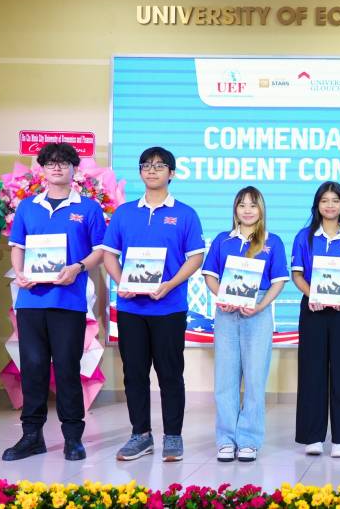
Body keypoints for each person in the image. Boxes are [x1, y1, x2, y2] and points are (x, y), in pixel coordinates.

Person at [101, 146, 205, 462]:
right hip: (131, 309)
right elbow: (109, 255)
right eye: (146, 165)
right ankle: (140, 435)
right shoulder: (124, 213)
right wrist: (122, 282)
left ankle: (173, 436)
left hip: (169, 308)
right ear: (140, 172)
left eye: (160, 166)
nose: (152, 170)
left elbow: (195, 258)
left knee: (170, 373)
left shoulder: (185, 214)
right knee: (134, 374)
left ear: (171, 173)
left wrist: (170, 285)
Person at [3, 142, 105, 462]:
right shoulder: (28, 206)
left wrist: (78, 267)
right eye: (50, 163)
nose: (57, 167)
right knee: (32, 368)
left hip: (68, 301)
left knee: (66, 369)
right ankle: (31, 436)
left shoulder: (88, 208)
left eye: (63, 162)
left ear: (74, 169)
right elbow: (18, 246)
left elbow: (100, 251)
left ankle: (73, 437)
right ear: (43, 169)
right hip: (30, 301)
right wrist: (20, 273)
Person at [202, 186, 289, 463]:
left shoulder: (273, 242)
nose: (248, 210)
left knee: (254, 377)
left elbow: (278, 281)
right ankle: (226, 439)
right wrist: (222, 297)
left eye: (253, 205)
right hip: (227, 312)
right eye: (242, 205)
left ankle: (249, 439)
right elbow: (210, 275)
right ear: (235, 209)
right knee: (225, 378)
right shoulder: (222, 240)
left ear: (261, 209)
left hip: (258, 312)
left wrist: (261, 306)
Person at [291, 182, 340, 458]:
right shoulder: (305, 237)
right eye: (325, 200)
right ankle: (313, 436)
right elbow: (297, 274)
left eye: (335, 200)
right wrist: (313, 295)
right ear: (317, 205)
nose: (330, 205)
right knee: (312, 371)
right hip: (313, 308)